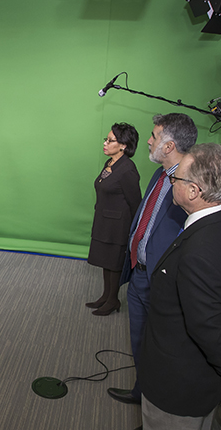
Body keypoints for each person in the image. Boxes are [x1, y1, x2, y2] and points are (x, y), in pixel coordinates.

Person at [138, 143, 221, 429]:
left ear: (193, 191)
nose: (171, 182)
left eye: (176, 178)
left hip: (177, 388)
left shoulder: (198, 250)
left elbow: (205, 324)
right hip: (208, 381)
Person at [107, 113, 197, 405]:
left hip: (163, 281)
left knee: (162, 346)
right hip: (140, 273)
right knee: (138, 339)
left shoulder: (192, 184)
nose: (148, 140)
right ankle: (141, 391)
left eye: (154, 136)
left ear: (169, 146)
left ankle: (156, 402)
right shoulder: (160, 174)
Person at [86, 123, 141, 316]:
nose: (105, 143)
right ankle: (105, 296)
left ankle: (113, 300)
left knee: (115, 263)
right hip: (104, 221)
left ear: (123, 145)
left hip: (118, 226)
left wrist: (134, 231)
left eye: (111, 141)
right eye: (106, 139)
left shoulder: (127, 170)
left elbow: (136, 203)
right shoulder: (110, 163)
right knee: (106, 260)